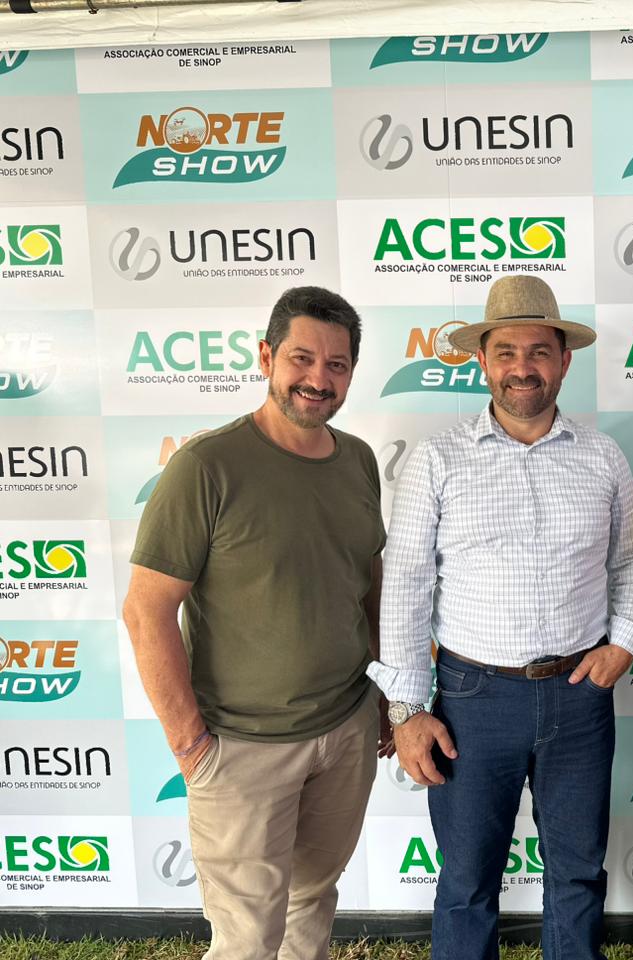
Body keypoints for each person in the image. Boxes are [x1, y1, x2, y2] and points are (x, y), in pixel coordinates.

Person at [370, 274, 633, 960]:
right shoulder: (438, 459)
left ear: (564, 360)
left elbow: (631, 561)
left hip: (580, 696)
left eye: (538, 351)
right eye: (505, 352)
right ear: (481, 361)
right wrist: (406, 711)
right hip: (473, 698)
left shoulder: (603, 456)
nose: (522, 367)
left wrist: (625, 643)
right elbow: (405, 583)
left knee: (578, 874)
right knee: (467, 881)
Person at [123, 286, 388, 960]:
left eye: (336, 365)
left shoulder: (358, 460)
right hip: (241, 750)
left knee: (312, 901)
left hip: (345, 730)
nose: (318, 379)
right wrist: (192, 748)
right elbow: (146, 611)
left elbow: (368, 582)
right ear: (267, 357)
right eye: (302, 358)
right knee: (246, 938)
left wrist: (384, 696)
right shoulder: (205, 467)